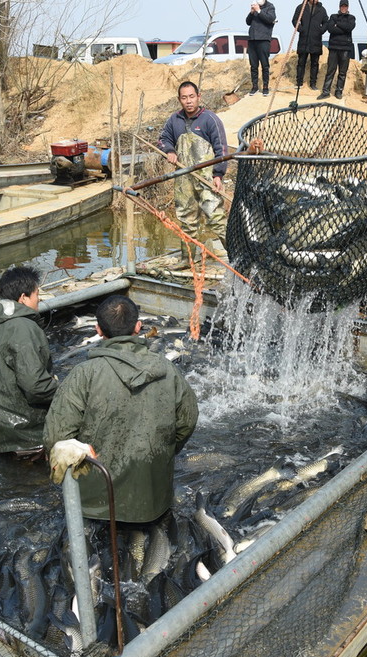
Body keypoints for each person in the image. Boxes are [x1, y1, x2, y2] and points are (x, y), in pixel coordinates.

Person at [44, 295, 199, 523]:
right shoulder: (168, 370)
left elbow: (56, 438)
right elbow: (188, 419)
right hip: (154, 503)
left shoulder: (84, 374)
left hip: (94, 506)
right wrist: (163, 450)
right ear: (138, 327)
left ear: (98, 329)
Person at [0, 266, 58, 460]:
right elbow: (35, 386)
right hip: (27, 437)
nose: (39, 299)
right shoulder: (23, 328)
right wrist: (62, 390)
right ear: (23, 298)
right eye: (37, 294)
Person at [157, 81, 230, 264]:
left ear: (199, 96)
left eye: (191, 96)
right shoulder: (174, 120)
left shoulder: (210, 119)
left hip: (206, 178)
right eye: (184, 98)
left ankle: (238, 257)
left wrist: (218, 175)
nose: (188, 101)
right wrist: (170, 150)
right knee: (187, 220)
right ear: (179, 100)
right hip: (183, 180)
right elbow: (163, 138)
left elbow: (221, 148)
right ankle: (187, 259)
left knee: (216, 219)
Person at [318, 0, 356, 100]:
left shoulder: (351, 18)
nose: (344, 8)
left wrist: (337, 24)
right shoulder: (333, 16)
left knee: (342, 72)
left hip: (345, 49)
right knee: (330, 71)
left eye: (345, 6)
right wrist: (342, 27)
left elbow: (349, 28)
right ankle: (325, 91)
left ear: (348, 7)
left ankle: (338, 91)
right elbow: (330, 29)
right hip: (334, 48)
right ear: (339, 7)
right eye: (342, 6)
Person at [292, 0, 328, 89]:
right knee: (301, 62)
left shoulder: (322, 9)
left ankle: (313, 83)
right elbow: (295, 20)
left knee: (315, 63)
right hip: (304, 39)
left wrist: (320, 31)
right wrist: (301, 29)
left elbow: (326, 22)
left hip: (316, 40)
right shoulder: (301, 7)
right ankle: (299, 82)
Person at [246, 0, 277, 96]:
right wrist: (251, 13)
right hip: (252, 40)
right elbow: (248, 22)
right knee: (253, 65)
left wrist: (259, 11)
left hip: (263, 40)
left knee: (265, 65)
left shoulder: (270, 7)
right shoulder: (255, 8)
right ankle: (254, 86)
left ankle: (265, 86)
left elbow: (270, 19)